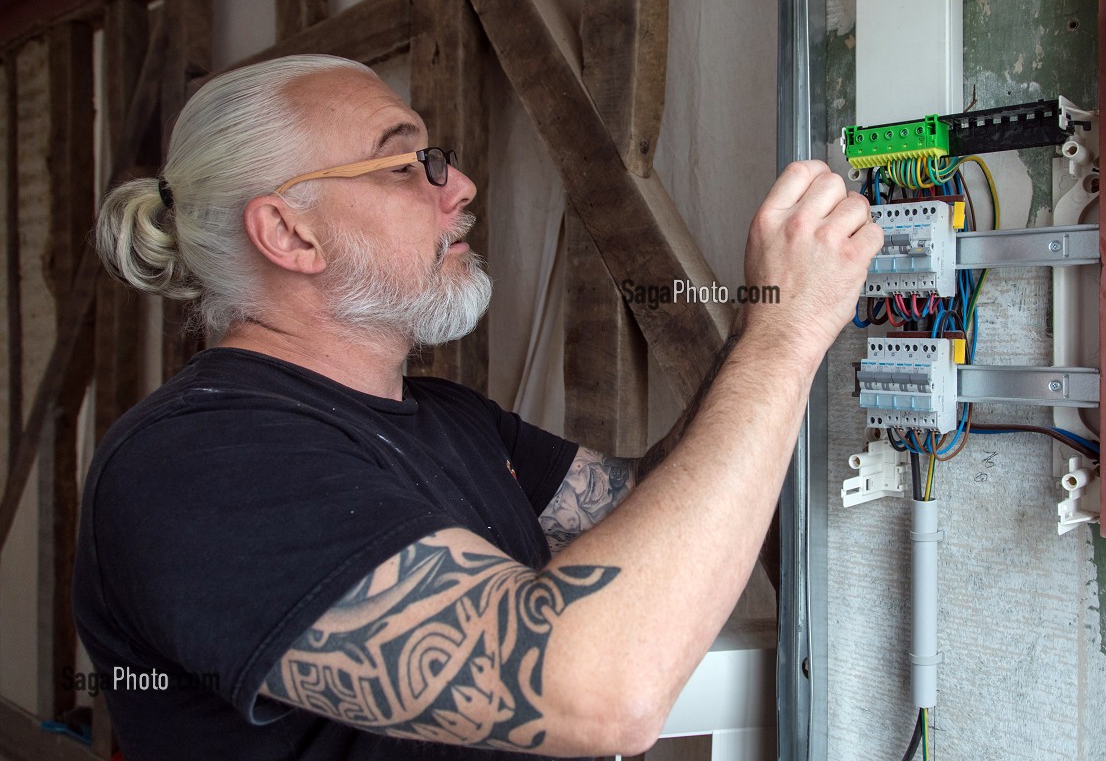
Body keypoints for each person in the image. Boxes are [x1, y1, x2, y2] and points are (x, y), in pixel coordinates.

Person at [73, 54, 881, 759]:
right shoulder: (197, 465)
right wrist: (785, 338)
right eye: (404, 165)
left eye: (439, 157)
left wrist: (761, 323)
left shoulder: (447, 416)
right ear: (291, 234)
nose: (457, 184)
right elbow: (603, 687)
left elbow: (658, 506)